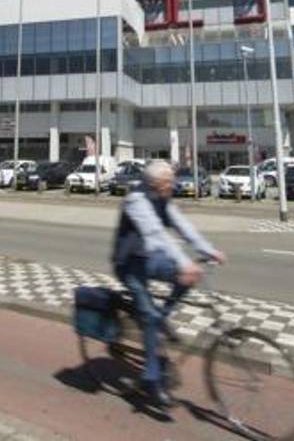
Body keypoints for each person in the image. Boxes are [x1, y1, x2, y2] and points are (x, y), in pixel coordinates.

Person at [112, 159, 226, 407]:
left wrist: (208, 250)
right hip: (129, 264)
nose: (172, 186)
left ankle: (160, 317)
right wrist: (184, 262)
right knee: (151, 316)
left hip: (150, 258)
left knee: (189, 279)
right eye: (167, 182)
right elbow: (157, 233)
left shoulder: (163, 198)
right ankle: (151, 382)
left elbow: (183, 226)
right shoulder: (136, 200)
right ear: (153, 183)